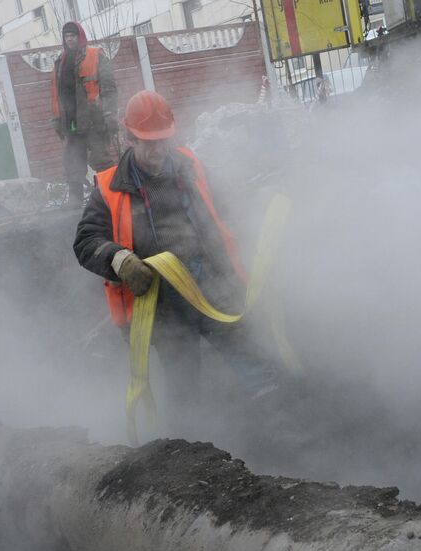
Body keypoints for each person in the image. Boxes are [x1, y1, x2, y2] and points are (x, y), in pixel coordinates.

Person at [73, 91, 275, 429]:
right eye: (148, 142)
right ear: (129, 138)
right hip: (163, 301)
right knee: (183, 382)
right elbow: (85, 241)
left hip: (211, 281)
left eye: (163, 140)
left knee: (249, 358)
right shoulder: (110, 188)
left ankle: (280, 420)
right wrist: (121, 259)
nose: (157, 150)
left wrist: (257, 204)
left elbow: (224, 206)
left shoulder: (190, 166)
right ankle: (191, 449)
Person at [52, 21, 117, 206]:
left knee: (102, 161)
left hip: (94, 120)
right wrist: (57, 120)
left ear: (80, 36)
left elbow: (109, 88)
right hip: (72, 123)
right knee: (72, 162)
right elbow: (56, 95)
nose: (70, 38)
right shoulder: (60, 63)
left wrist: (110, 113)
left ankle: (112, 197)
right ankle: (75, 203)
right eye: (67, 36)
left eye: (73, 35)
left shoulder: (96, 55)